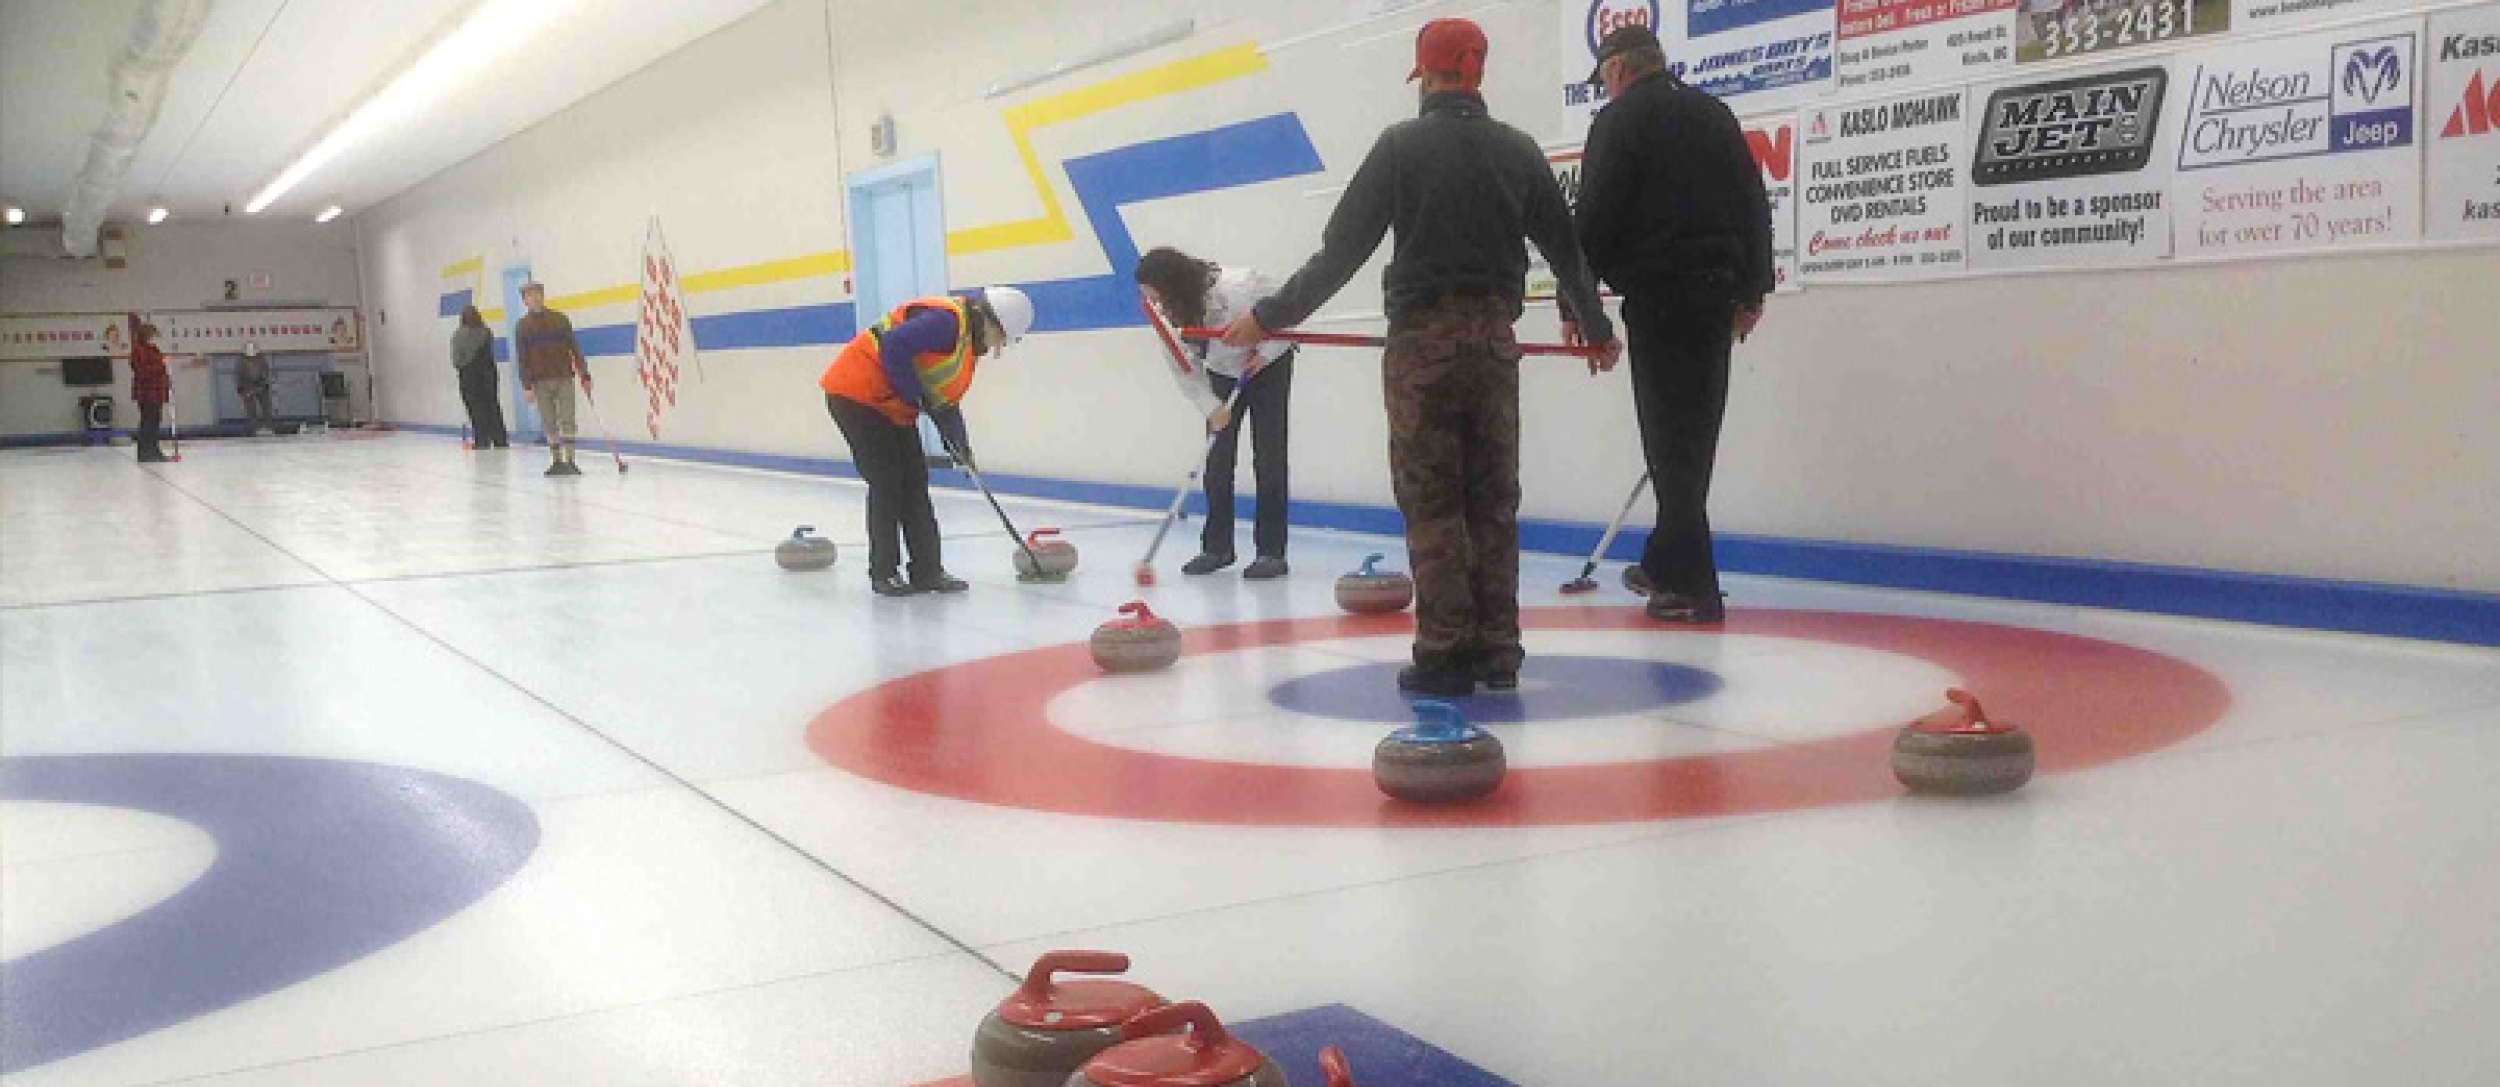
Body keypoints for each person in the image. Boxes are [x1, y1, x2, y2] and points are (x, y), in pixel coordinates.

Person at [1224, 18, 1619, 697]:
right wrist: (1596, 328)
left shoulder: (1400, 147)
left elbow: (1341, 251)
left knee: (1432, 499)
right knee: (1493, 500)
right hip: (1496, 345)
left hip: (1422, 348)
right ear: (1478, 74)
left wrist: (1267, 316)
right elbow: (1567, 251)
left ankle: (1443, 652)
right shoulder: (1520, 151)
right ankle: (1499, 649)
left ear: (1428, 76)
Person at [1574, 25, 1774, 625]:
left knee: (1668, 444)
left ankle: (1694, 584)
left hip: (1658, 300)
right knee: (1694, 442)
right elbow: (1752, 205)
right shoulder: (1714, 114)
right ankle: (1668, 566)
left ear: (1617, 70)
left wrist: (1580, 309)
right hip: (1715, 300)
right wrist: (1753, 289)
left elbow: (1595, 223)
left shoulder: (1617, 123)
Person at [819, 286, 1035, 597]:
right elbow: (894, 345)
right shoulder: (946, 323)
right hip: (857, 395)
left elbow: (944, 401)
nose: (998, 347)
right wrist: (913, 394)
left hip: (892, 406)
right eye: (1001, 338)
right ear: (991, 322)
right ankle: (884, 572)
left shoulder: (966, 346)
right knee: (888, 481)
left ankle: (927, 571)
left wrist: (960, 446)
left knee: (915, 481)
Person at [1135, 247, 1296, 579]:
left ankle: (1271, 553)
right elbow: (1185, 370)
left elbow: (1290, 313)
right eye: (1152, 300)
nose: (1159, 307)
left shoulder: (1240, 287)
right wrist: (1211, 407)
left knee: (1269, 458)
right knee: (1217, 461)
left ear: (1176, 286)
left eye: (1161, 298)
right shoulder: (1167, 316)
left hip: (1267, 367)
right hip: (1221, 372)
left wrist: (1265, 353)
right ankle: (1217, 548)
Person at [513, 282, 589, 475]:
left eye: (538, 294)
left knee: (568, 419)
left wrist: (584, 373)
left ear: (543, 296)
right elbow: (522, 359)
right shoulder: (522, 326)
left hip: (563, 376)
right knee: (549, 422)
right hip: (539, 381)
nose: (535, 298)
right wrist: (526, 385)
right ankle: (557, 461)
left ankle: (571, 460)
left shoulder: (560, 320)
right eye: (529, 295)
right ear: (524, 301)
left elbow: (574, 348)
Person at [451, 307, 509, 448]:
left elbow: (456, 361)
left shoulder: (458, 335)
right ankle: (500, 439)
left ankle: (482, 440)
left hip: (469, 376)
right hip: (489, 373)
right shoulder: (486, 332)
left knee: (475, 408)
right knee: (492, 405)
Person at [128, 317, 170, 464]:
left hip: (157, 391)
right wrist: (161, 366)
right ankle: (144, 452)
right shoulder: (138, 351)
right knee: (148, 422)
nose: (155, 338)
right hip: (147, 392)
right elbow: (142, 371)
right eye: (152, 335)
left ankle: (154, 450)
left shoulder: (154, 349)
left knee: (155, 421)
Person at [237, 343, 276, 435]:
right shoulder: (241, 362)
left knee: (266, 407)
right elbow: (238, 375)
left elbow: (266, 372)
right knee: (250, 409)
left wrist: (264, 384)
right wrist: (241, 388)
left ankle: (268, 427)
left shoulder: (262, 360)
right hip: (247, 386)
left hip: (261, 386)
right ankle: (253, 429)